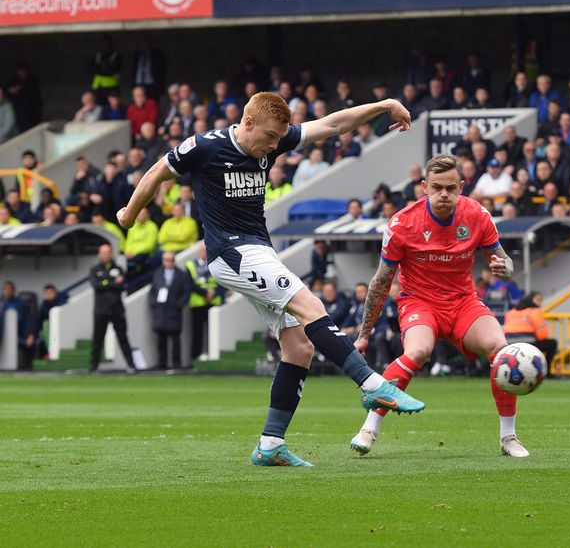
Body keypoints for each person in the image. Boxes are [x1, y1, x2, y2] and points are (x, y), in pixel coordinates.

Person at [115, 91, 424, 467]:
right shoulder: (203, 147)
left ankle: (270, 443)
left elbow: (332, 124)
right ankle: (372, 385)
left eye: (280, 139)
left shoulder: (271, 141)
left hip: (259, 251)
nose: (276, 147)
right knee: (311, 305)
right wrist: (129, 216)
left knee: (298, 347)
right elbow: (155, 173)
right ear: (247, 124)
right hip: (230, 252)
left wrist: (385, 105)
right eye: (270, 138)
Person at [348, 155, 527, 458]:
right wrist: (365, 333)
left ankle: (508, 437)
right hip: (420, 301)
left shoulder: (477, 215)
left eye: (450, 188)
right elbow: (381, 281)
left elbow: (505, 261)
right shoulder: (402, 224)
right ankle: (369, 427)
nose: (444, 194)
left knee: (500, 348)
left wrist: (505, 269)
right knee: (417, 351)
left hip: (463, 302)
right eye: (437, 187)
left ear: (461, 186)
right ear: (424, 188)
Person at [89, 244, 137, 374]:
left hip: (116, 309)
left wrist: (105, 281)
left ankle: (131, 365)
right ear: (99, 254)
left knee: (123, 338)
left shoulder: (118, 268)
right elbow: (96, 285)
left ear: (111, 254)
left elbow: (121, 285)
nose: (106, 255)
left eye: (108, 252)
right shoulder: (95, 269)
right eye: (103, 253)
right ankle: (93, 366)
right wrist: (112, 282)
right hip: (101, 310)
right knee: (98, 339)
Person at [148, 252, 193, 370]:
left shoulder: (181, 275)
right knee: (161, 339)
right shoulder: (158, 274)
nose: (168, 262)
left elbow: (186, 292)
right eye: (166, 260)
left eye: (170, 260)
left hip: (174, 311)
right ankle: (162, 362)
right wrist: (154, 304)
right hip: (160, 311)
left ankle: (176, 363)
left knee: (175, 339)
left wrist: (179, 304)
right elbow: (152, 291)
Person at [503, 291, 558, 374]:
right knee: (552, 343)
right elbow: (542, 335)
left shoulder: (510, 312)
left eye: (541, 300)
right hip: (529, 343)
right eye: (538, 299)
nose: (540, 302)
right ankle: (546, 372)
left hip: (509, 345)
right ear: (531, 299)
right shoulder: (535, 311)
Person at [186, 243, 222, 363]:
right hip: (198, 303)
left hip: (213, 302)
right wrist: (204, 293)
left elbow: (221, 280)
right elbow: (190, 283)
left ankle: (212, 353)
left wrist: (214, 293)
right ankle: (196, 355)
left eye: (205, 251)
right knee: (197, 331)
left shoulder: (215, 264)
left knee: (213, 331)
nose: (204, 253)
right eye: (202, 251)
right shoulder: (191, 265)